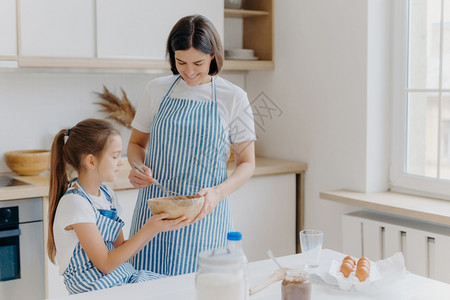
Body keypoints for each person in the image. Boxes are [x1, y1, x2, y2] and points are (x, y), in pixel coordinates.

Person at [127, 14, 256, 276]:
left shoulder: (234, 97)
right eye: (180, 61)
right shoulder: (156, 89)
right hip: (155, 215)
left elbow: (247, 163)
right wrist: (138, 166)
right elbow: (136, 144)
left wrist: (218, 193)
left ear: (213, 56)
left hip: (205, 217)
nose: (189, 71)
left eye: (198, 62)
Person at [47, 118, 189, 294]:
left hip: (119, 277)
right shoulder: (75, 203)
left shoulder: (107, 195)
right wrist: (149, 229)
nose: (121, 161)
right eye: (115, 156)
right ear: (91, 161)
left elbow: (120, 250)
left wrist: (159, 227)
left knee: (180, 288)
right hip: (95, 287)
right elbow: (105, 264)